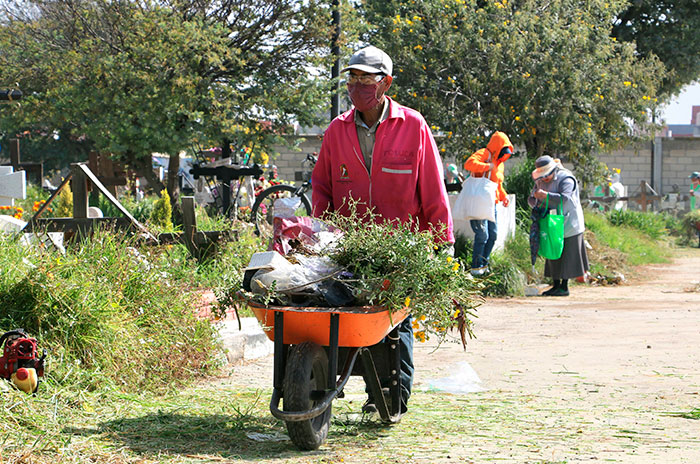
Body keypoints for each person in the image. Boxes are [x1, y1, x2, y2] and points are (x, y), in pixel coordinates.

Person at [312, 45, 454, 415]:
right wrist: (323, 234)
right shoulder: (337, 130)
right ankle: (330, 381)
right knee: (340, 313)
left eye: (366, 79)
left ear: (385, 83)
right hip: (349, 244)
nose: (357, 85)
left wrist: (442, 242)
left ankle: (389, 397)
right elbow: (322, 188)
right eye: (352, 78)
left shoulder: (412, 126)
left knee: (392, 321)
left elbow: (432, 187)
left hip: (400, 245)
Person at [528, 156, 589, 296]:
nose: (544, 179)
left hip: (569, 223)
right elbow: (532, 198)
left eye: (546, 176)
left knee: (566, 253)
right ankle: (555, 285)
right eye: (541, 176)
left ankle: (564, 286)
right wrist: (535, 200)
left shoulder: (566, 178)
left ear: (553, 171)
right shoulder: (540, 181)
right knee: (552, 252)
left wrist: (546, 195)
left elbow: (565, 198)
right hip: (551, 223)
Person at [462, 132, 513, 276]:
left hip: (492, 204)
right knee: (482, 235)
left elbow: (497, 184)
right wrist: (487, 166)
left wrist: (504, 196)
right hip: (478, 201)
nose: (505, 156)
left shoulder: (500, 164)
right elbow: (469, 164)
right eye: (503, 152)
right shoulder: (484, 153)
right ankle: (475, 268)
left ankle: (484, 265)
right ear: (497, 148)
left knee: (493, 235)